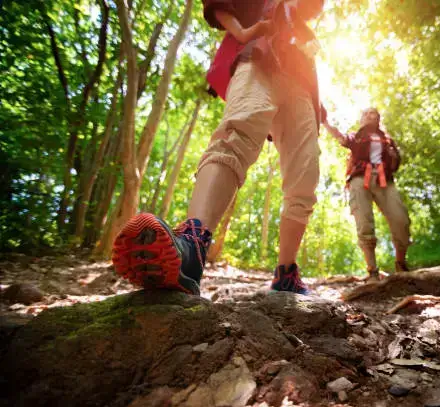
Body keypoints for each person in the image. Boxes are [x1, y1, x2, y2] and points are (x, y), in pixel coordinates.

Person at [111, 0, 325, 296]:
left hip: (302, 82)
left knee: (306, 173)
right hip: (257, 58)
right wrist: (243, 31)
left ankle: (286, 274)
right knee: (234, 136)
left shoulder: (299, 14)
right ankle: (191, 249)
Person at [323, 107, 412, 280]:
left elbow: (396, 162)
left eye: (375, 114)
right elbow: (340, 137)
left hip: (385, 180)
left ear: (379, 119)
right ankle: (372, 271)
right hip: (359, 179)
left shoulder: (388, 140)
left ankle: (401, 264)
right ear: (361, 119)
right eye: (366, 114)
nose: (371, 116)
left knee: (401, 221)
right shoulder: (356, 136)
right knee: (364, 224)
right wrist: (325, 122)